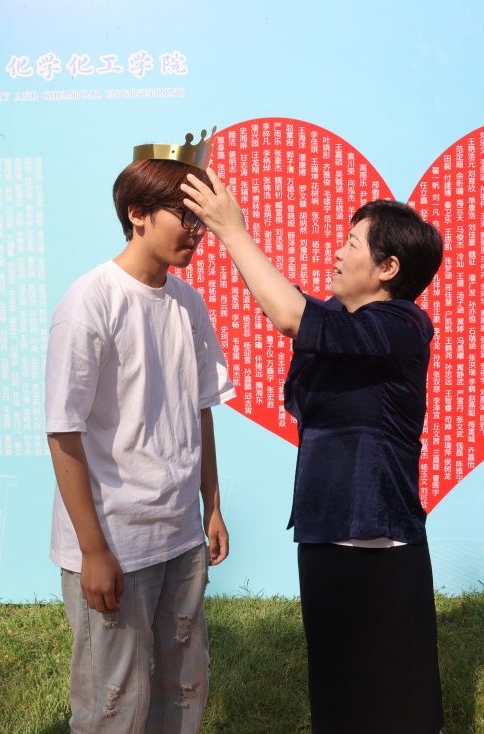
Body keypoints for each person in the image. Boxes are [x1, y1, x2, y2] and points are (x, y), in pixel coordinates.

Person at [182, 169, 445, 733]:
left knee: (394, 697)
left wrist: (232, 231)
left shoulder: (402, 325)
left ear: (388, 268)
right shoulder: (343, 325)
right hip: (324, 526)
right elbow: (294, 323)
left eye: (352, 244)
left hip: (379, 536)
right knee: (335, 689)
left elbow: (288, 314)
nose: (338, 254)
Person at [45, 135, 234, 733]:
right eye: (184, 216)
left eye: (200, 219)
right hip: (114, 540)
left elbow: (201, 410)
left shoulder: (187, 303)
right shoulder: (91, 301)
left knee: (184, 690)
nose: (196, 232)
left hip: (179, 533)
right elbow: (64, 432)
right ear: (137, 213)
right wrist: (93, 550)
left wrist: (212, 506)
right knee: (114, 705)